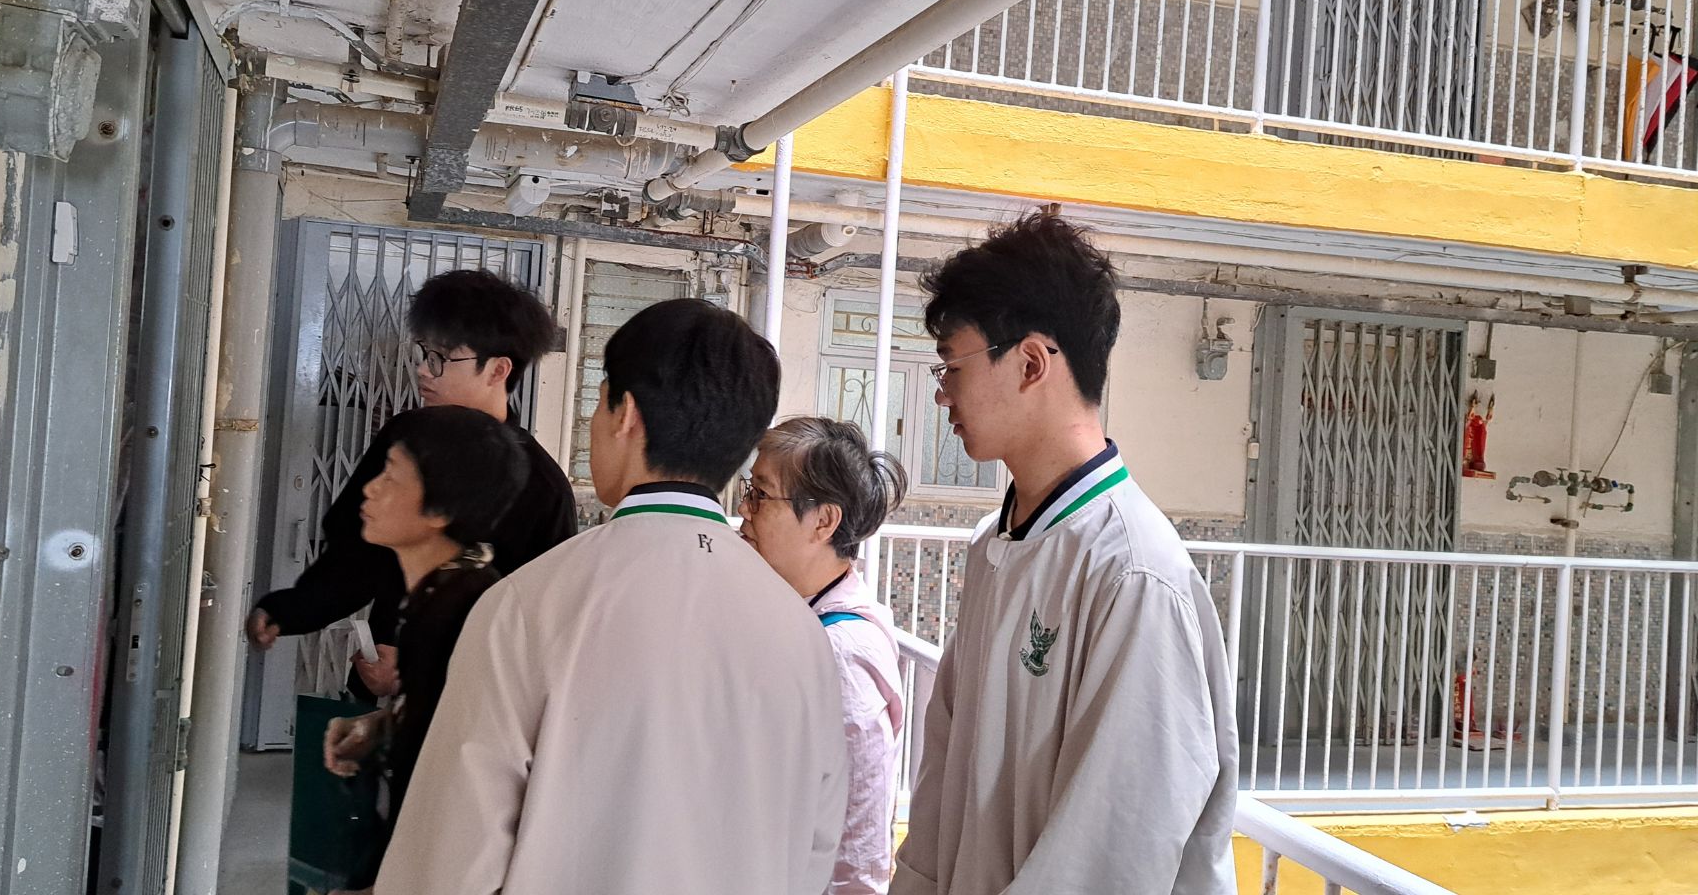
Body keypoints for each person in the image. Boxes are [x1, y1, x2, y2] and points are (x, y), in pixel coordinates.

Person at [375, 299, 848, 895]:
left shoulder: (529, 604)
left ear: (625, 415)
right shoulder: (802, 632)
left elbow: (449, 861)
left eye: (599, 404)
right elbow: (816, 847)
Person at [892, 213, 1238, 895]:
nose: (941, 392)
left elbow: (1113, 851)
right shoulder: (996, 545)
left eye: (952, 366)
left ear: (1030, 363)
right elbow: (946, 776)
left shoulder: (1132, 571)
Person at [246, 269, 577, 698]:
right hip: (378, 684)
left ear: (498, 370)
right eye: (424, 353)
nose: (423, 370)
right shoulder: (405, 438)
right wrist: (292, 610)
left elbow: (537, 624)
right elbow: (355, 552)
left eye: (441, 358)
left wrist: (424, 671)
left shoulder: (543, 489)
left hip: (467, 703)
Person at [318, 406, 527, 878]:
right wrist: (384, 726)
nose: (370, 488)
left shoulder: (461, 610)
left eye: (391, 477)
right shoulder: (441, 591)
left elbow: (468, 775)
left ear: (440, 511)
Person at [739, 416, 908, 895]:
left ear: (824, 521)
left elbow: (860, 833)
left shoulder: (841, 652)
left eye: (761, 495)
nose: (744, 509)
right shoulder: (796, 613)